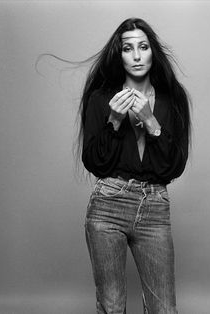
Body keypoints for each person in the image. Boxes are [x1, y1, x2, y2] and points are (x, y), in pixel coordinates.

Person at [76, 17, 191, 314]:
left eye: (143, 47)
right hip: (108, 204)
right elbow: (95, 162)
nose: (137, 56)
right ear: (119, 54)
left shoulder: (173, 99)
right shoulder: (101, 99)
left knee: (163, 308)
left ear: (153, 51)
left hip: (155, 206)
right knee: (112, 306)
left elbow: (174, 167)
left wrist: (151, 121)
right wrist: (114, 121)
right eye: (128, 48)